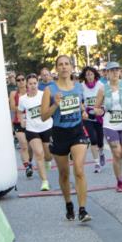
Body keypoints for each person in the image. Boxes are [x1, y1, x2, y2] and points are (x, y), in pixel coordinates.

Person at [41, 55, 91, 222]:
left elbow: (80, 104)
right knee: (64, 173)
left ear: (71, 67)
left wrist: (83, 111)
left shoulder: (78, 87)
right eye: (60, 65)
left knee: (78, 169)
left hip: (77, 131)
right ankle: (69, 203)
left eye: (66, 64)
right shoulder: (50, 90)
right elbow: (43, 116)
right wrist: (55, 104)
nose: (63, 67)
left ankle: (83, 209)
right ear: (57, 68)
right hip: (59, 133)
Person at [98, 62, 122, 192]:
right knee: (116, 153)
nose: (115, 72)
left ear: (120, 72)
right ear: (107, 73)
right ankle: (119, 181)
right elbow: (97, 107)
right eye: (112, 70)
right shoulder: (103, 89)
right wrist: (98, 111)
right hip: (110, 125)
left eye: (117, 70)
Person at [18, 74, 52, 192]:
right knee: (38, 153)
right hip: (32, 130)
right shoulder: (23, 99)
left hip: (47, 127)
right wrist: (22, 120)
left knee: (48, 155)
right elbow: (20, 111)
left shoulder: (43, 95)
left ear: (38, 83)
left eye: (35, 83)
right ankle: (44, 181)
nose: (33, 86)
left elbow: (51, 107)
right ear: (27, 85)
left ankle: (48, 161)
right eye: (30, 84)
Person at [80, 66, 107, 172]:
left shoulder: (101, 85)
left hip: (99, 114)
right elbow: (81, 102)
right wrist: (83, 111)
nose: (89, 76)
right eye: (87, 75)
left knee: (100, 140)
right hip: (88, 115)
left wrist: (102, 109)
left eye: (91, 74)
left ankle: (101, 153)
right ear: (84, 76)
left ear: (94, 75)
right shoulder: (82, 87)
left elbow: (105, 99)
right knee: (93, 139)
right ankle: (96, 163)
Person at [9, 74, 31, 177]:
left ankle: (28, 161)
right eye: (18, 80)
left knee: (31, 147)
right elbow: (13, 107)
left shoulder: (31, 91)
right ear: (16, 82)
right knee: (24, 144)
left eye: (23, 79)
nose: (21, 81)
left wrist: (21, 107)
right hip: (18, 122)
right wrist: (25, 106)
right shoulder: (14, 93)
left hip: (31, 123)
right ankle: (27, 167)